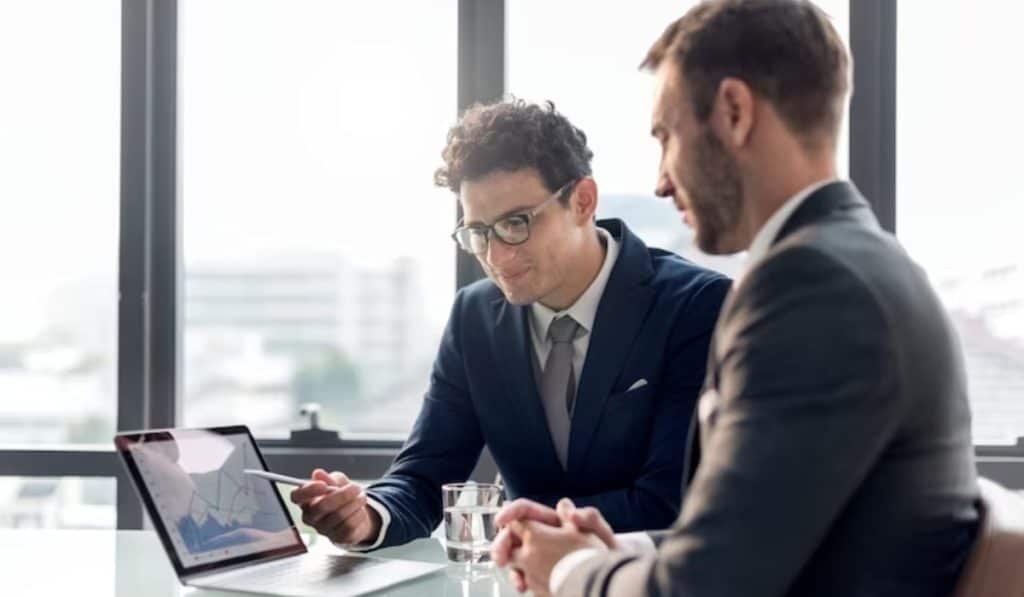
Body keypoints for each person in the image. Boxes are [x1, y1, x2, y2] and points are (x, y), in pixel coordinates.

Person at [493, 2, 980, 596]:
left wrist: (568, 572)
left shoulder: (812, 288)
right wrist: (617, 549)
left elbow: (708, 589)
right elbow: (761, 534)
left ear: (734, 111)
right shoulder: (854, 264)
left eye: (666, 136)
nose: (661, 180)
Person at [290, 100, 730, 551]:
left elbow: (670, 503)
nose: (497, 257)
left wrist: (515, 527)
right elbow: (424, 475)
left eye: (516, 223)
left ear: (582, 201)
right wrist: (366, 516)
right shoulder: (474, 317)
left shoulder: (696, 306)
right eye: (478, 232)